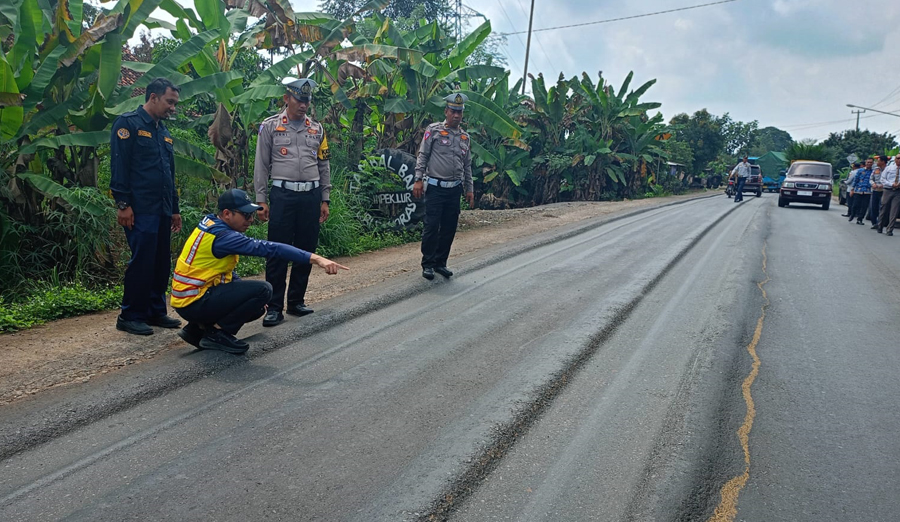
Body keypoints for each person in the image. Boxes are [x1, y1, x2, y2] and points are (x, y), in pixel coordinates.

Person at [170, 189, 348, 354]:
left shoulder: (210, 223)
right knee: (264, 290)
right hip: (194, 301)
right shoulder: (224, 237)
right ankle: (216, 334)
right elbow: (272, 249)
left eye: (251, 215)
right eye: (246, 215)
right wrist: (316, 258)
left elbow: (222, 271)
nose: (250, 220)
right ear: (226, 214)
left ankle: (195, 330)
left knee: (256, 307)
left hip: (188, 299)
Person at [253, 77, 332, 327]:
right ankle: (274, 306)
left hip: (310, 195)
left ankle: (296, 301)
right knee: (277, 251)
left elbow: (324, 164)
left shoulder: (317, 129)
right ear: (287, 98)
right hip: (283, 195)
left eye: (307, 101)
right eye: (299, 100)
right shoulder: (270, 127)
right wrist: (261, 200)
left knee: (306, 248)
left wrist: (325, 198)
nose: (303, 105)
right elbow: (261, 165)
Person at [110, 77, 183, 336]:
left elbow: (169, 174)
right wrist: (123, 204)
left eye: (175, 103)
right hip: (139, 209)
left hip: (162, 209)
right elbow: (120, 167)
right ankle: (130, 315)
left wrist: (174, 209)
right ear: (153, 97)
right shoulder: (127, 124)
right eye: (169, 102)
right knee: (142, 261)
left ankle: (155, 310)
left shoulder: (162, 131)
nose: (173, 107)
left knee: (161, 261)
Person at [412, 93, 475, 280]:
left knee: (449, 227)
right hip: (435, 187)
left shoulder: (465, 137)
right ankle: (428, 264)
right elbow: (423, 155)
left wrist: (469, 189)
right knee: (432, 226)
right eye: (453, 111)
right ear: (446, 111)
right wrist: (418, 179)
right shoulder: (434, 130)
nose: (456, 115)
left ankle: (441, 263)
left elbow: (467, 165)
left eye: (460, 112)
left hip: (454, 189)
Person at [877, 154, 900, 235]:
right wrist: (891, 184)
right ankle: (880, 226)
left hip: (898, 192)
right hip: (888, 190)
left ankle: (890, 230)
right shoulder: (889, 168)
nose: (899, 160)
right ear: (895, 159)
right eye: (898, 158)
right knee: (884, 208)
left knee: (894, 211)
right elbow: (882, 179)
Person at [849, 158, 873, 225]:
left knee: (864, 206)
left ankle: (860, 219)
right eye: (868, 162)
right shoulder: (860, 170)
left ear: (872, 163)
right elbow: (856, 180)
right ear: (865, 163)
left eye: (871, 162)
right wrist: (852, 189)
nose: (869, 164)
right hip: (858, 190)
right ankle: (852, 215)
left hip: (867, 191)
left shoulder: (873, 172)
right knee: (855, 205)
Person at [868, 155, 887, 227]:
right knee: (874, 207)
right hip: (875, 190)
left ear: (883, 162)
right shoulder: (876, 169)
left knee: (882, 208)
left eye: (878, 161)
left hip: (884, 191)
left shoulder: (888, 169)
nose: (876, 162)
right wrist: (873, 184)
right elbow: (871, 179)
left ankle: (880, 223)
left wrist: (883, 185)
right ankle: (874, 223)